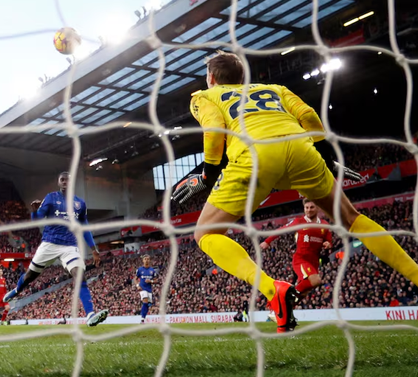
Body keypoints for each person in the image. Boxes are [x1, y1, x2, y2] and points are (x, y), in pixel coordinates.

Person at [173, 51, 418, 333]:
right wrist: (326, 160)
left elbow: (214, 129)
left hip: (254, 156)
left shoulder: (204, 96)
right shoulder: (275, 89)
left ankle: (271, 288)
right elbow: (309, 116)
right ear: (243, 78)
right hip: (301, 150)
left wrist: (206, 174)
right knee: (351, 219)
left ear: (211, 78)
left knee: (205, 233)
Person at [3, 172, 108, 327]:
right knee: (29, 277)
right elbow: (37, 221)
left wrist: (93, 249)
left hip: (70, 246)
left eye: (68, 180)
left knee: (79, 274)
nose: (65, 182)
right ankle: (17, 290)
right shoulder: (51, 198)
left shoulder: (80, 204)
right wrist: (34, 211)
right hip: (49, 244)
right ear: (59, 183)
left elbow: (85, 228)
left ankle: (90, 315)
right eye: (62, 180)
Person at [261, 199, 332, 296]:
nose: (309, 210)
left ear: (318, 208)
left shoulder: (324, 225)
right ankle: (287, 296)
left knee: (305, 291)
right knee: (315, 281)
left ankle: (284, 305)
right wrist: (267, 241)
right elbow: (282, 229)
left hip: (314, 262)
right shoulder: (299, 221)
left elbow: (329, 240)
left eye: (312, 207)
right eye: (306, 208)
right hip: (301, 259)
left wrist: (328, 243)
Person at [135, 254, 158, 324]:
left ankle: (143, 319)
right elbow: (135, 279)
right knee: (145, 301)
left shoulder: (152, 270)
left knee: (147, 304)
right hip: (142, 288)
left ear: (149, 260)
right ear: (143, 260)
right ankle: (142, 319)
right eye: (145, 259)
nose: (146, 260)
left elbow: (156, 280)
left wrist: (150, 281)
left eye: (148, 259)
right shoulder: (140, 269)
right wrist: (137, 286)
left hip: (149, 289)